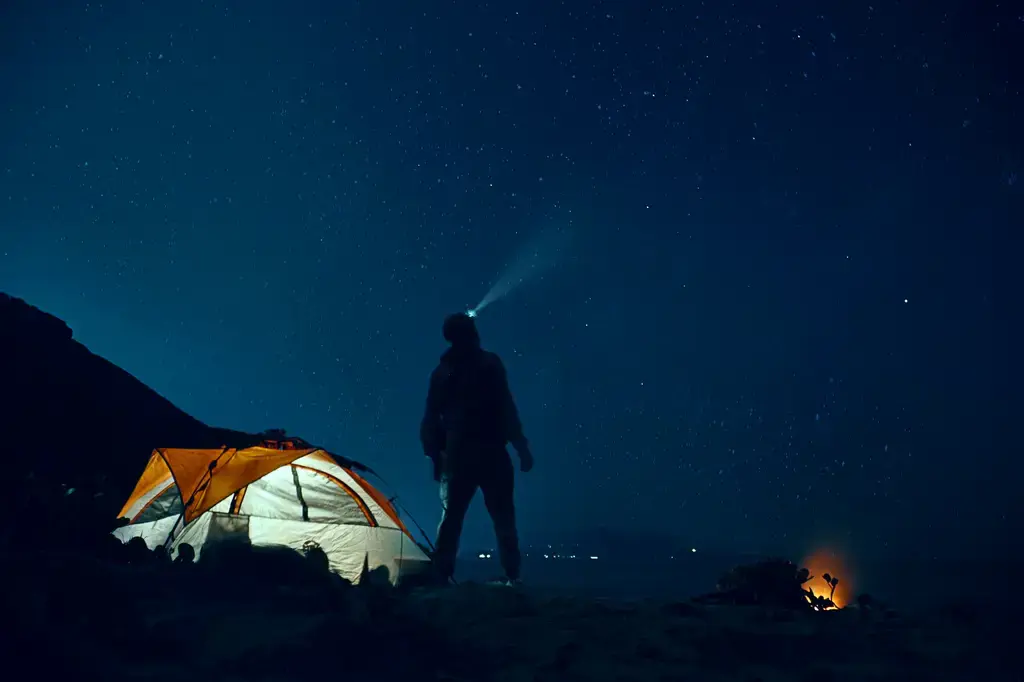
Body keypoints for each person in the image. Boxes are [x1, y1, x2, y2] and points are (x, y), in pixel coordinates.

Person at [420, 311, 534, 585]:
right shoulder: (489, 364)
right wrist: (521, 447)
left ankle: (442, 574)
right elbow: (507, 409)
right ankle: (512, 575)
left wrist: (436, 456)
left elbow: (430, 419)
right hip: (489, 452)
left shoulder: (443, 372)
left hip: (459, 456)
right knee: (502, 517)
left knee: (452, 519)